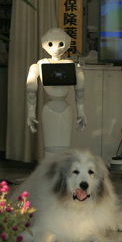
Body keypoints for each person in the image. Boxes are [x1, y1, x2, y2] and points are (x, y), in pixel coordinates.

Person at [26, 28, 86, 157]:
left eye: (61, 44)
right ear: (44, 44)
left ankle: (61, 173)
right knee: (50, 147)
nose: (56, 48)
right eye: (51, 44)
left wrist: (81, 112)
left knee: (64, 148)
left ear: (67, 44)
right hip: (51, 110)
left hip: (61, 110)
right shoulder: (38, 65)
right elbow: (31, 91)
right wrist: (31, 112)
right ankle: (50, 172)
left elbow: (80, 92)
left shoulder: (73, 66)